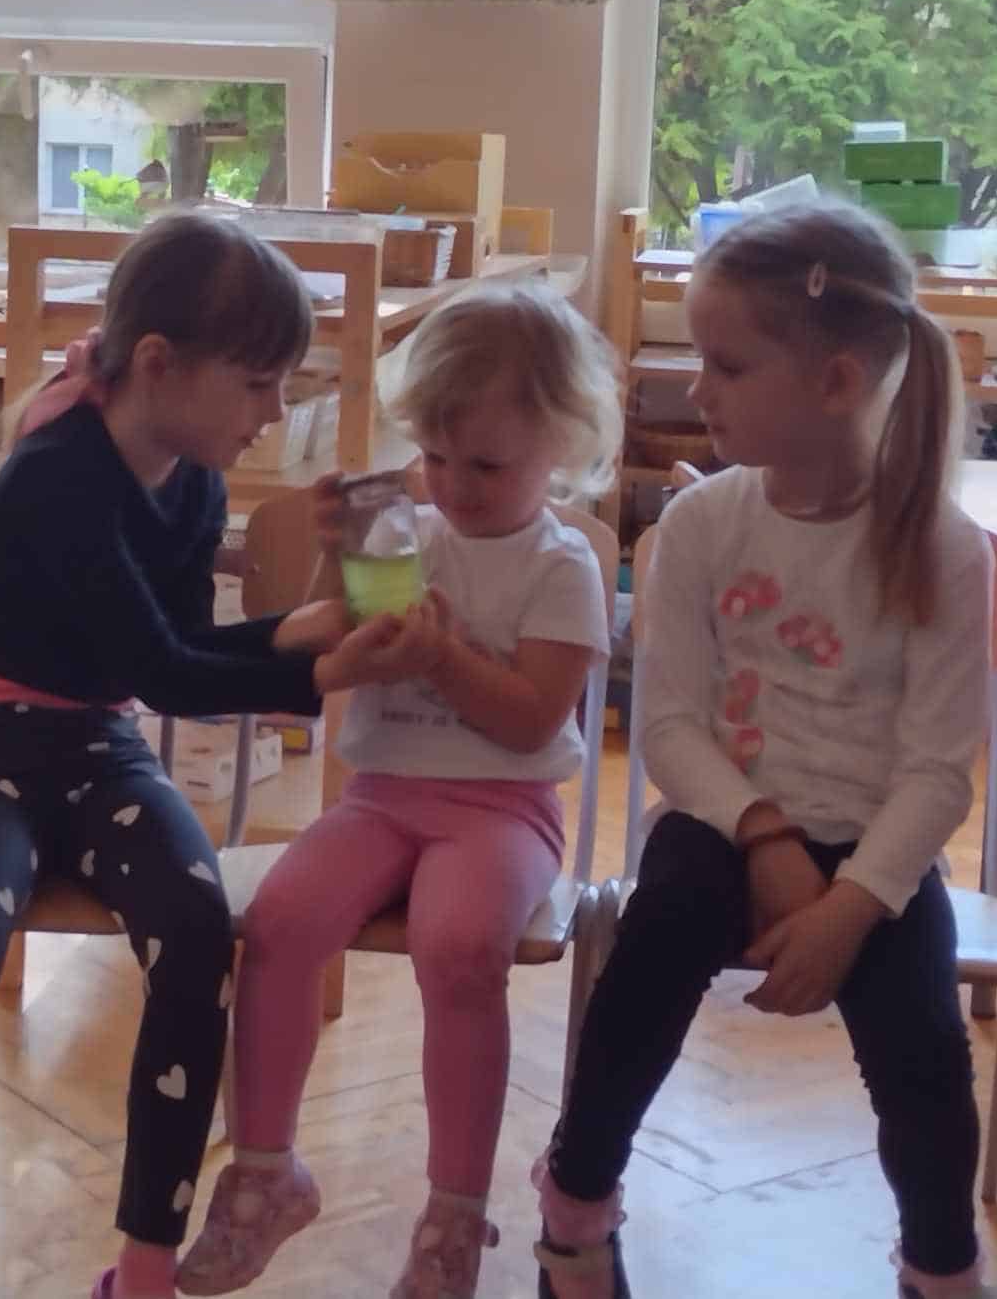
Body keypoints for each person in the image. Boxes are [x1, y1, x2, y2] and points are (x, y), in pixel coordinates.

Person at [0, 213, 432, 1299]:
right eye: (259, 384)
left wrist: (304, 631)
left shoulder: (193, 480)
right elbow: (171, 674)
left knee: (193, 930)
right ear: (158, 364)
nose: (277, 412)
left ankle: (144, 1268)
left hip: (94, 742)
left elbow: (172, 647)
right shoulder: (60, 475)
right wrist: (316, 670)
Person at [532, 198, 997, 1299]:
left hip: (877, 860)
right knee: (647, 960)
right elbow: (671, 727)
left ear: (835, 381)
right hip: (719, 827)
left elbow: (938, 771)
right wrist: (764, 834)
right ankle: (574, 1216)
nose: (696, 390)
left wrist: (849, 909)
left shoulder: (943, 546)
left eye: (727, 365)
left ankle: (940, 1267)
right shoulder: (700, 525)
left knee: (926, 1057)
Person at [178, 283, 620, 1299]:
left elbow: (530, 723)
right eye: (435, 456)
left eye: (487, 465)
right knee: (279, 921)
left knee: (458, 946)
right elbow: (318, 639)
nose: (453, 485)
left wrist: (444, 656)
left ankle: (454, 1213)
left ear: (559, 445)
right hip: (379, 797)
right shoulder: (400, 530)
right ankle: (265, 1172)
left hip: (501, 809)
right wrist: (337, 567)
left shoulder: (562, 565)